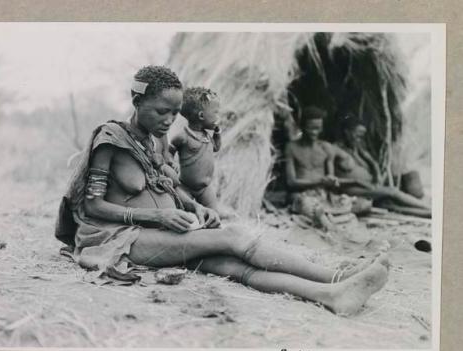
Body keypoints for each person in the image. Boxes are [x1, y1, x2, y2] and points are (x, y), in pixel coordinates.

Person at [55, 66, 389, 316]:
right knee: (234, 237)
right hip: (121, 238)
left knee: (234, 267)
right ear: (136, 101)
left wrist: (193, 206)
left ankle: (333, 295)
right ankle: (336, 275)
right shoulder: (110, 141)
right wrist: (156, 215)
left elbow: (166, 184)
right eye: (161, 111)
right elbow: (93, 206)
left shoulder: (156, 138)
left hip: (156, 233)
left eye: (175, 112)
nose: (169, 120)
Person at [284, 106, 368, 229]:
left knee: (365, 204)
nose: (314, 132)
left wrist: (333, 181)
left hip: (323, 195)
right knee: (306, 204)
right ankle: (328, 219)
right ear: (302, 126)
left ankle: (325, 214)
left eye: (318, 128)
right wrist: (319, 181)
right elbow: (291, 182)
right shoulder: (291, 147)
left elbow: (331, 180)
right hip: (301, 195)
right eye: (310, 128)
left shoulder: (325, 148)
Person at [334, 114, 431, 218]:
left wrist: (361, 154)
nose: (359, 139)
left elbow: (373, 166)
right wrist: (356, 182)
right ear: (347, 132)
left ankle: (428, 213)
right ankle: (428, 208)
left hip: (368, 186)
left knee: (388, 204)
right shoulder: (334, 149)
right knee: (392, 191)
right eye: (357, 135)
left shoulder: (357, 150)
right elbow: (331, 178)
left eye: (362, 136)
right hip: (352, 188)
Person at [169, 87, 223, 215]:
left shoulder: (207, 136)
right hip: (185, 186)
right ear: (201, 116)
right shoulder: (183, 136)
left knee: (213, 213)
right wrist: (171, 162)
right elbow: (170, 150)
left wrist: (217, 134)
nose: (218, 117)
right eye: (216, 113)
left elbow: (216, 148)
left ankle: (210, 229)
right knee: (183, 212)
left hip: (205, 188)